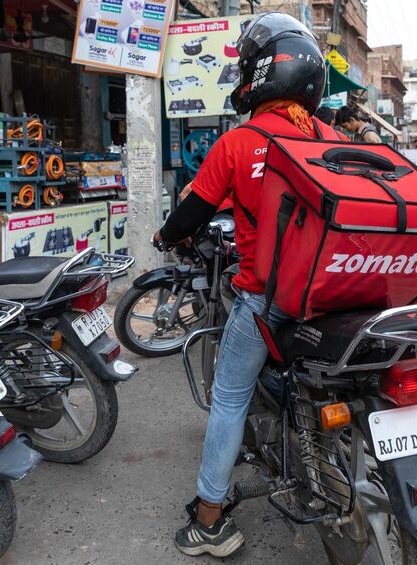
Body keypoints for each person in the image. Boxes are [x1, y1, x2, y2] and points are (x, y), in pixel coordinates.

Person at [153, 13, 333, 557]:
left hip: (270, 299)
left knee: (228, 399)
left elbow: (188, 216)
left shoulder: (240, 144)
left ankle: (209, 521)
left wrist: (167, 238)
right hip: (336, 297)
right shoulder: (332, 138)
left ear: (259, 75)